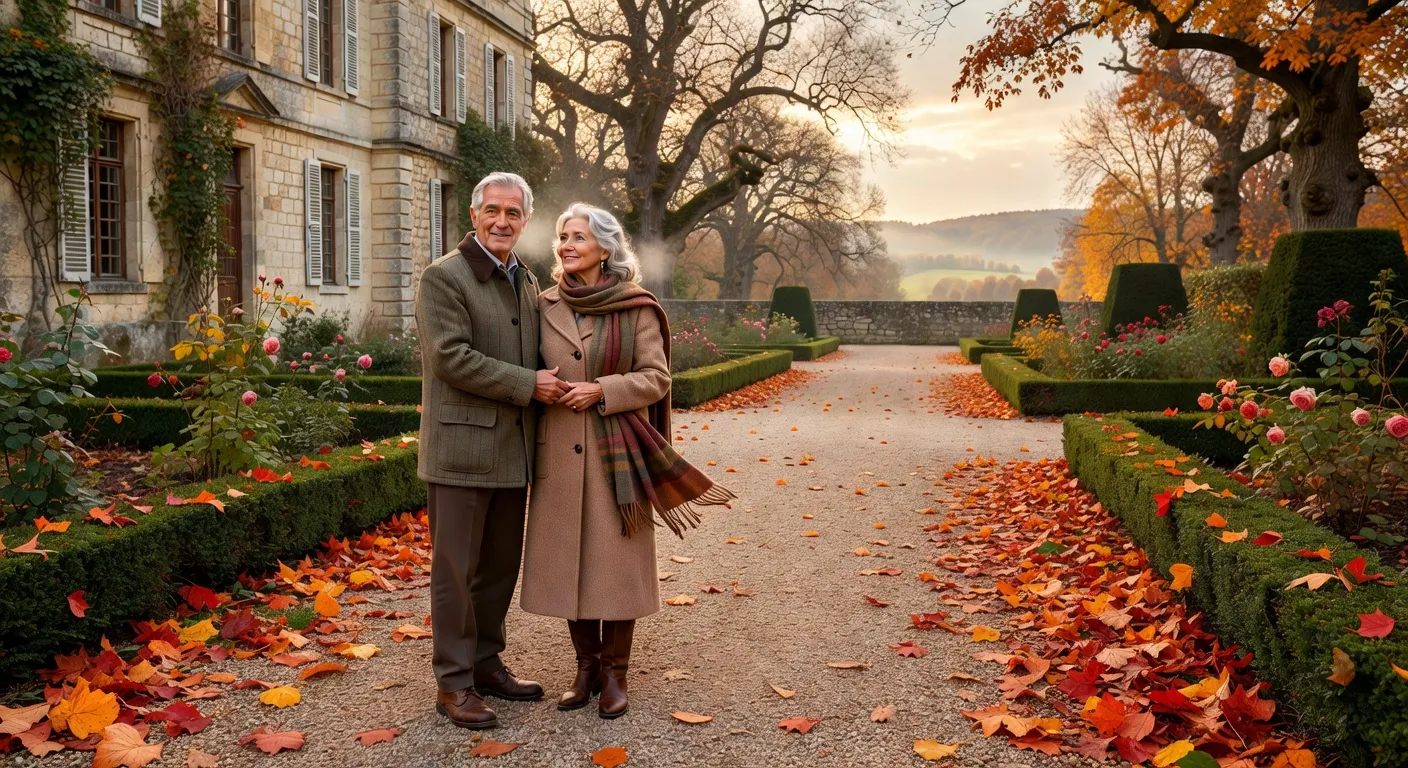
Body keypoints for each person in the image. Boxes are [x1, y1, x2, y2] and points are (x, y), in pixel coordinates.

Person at [520, 203, 735, 718]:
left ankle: (616, 674)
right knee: (567, 565)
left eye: (579, 237)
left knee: (615, 567)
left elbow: (657, 379)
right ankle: (585, 667)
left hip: (617, 455)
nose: (567, 245)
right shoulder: (542, 304)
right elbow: (525, 369)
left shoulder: (637, 308)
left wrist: (601, 389)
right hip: (559, 452)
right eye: (562, 236)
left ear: (605, 248)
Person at [414, 172, 569, 729]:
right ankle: (453, 684)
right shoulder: (444, 278)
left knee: (499, 567)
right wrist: (530, 384)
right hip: (459, 451)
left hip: (513, 451)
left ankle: (484, 662)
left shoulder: (525, 279)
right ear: (474, 216)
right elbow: (451, 358)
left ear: (525, 222)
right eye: (493, 211)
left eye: (513, 213)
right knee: (456, 571)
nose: (502, 221)